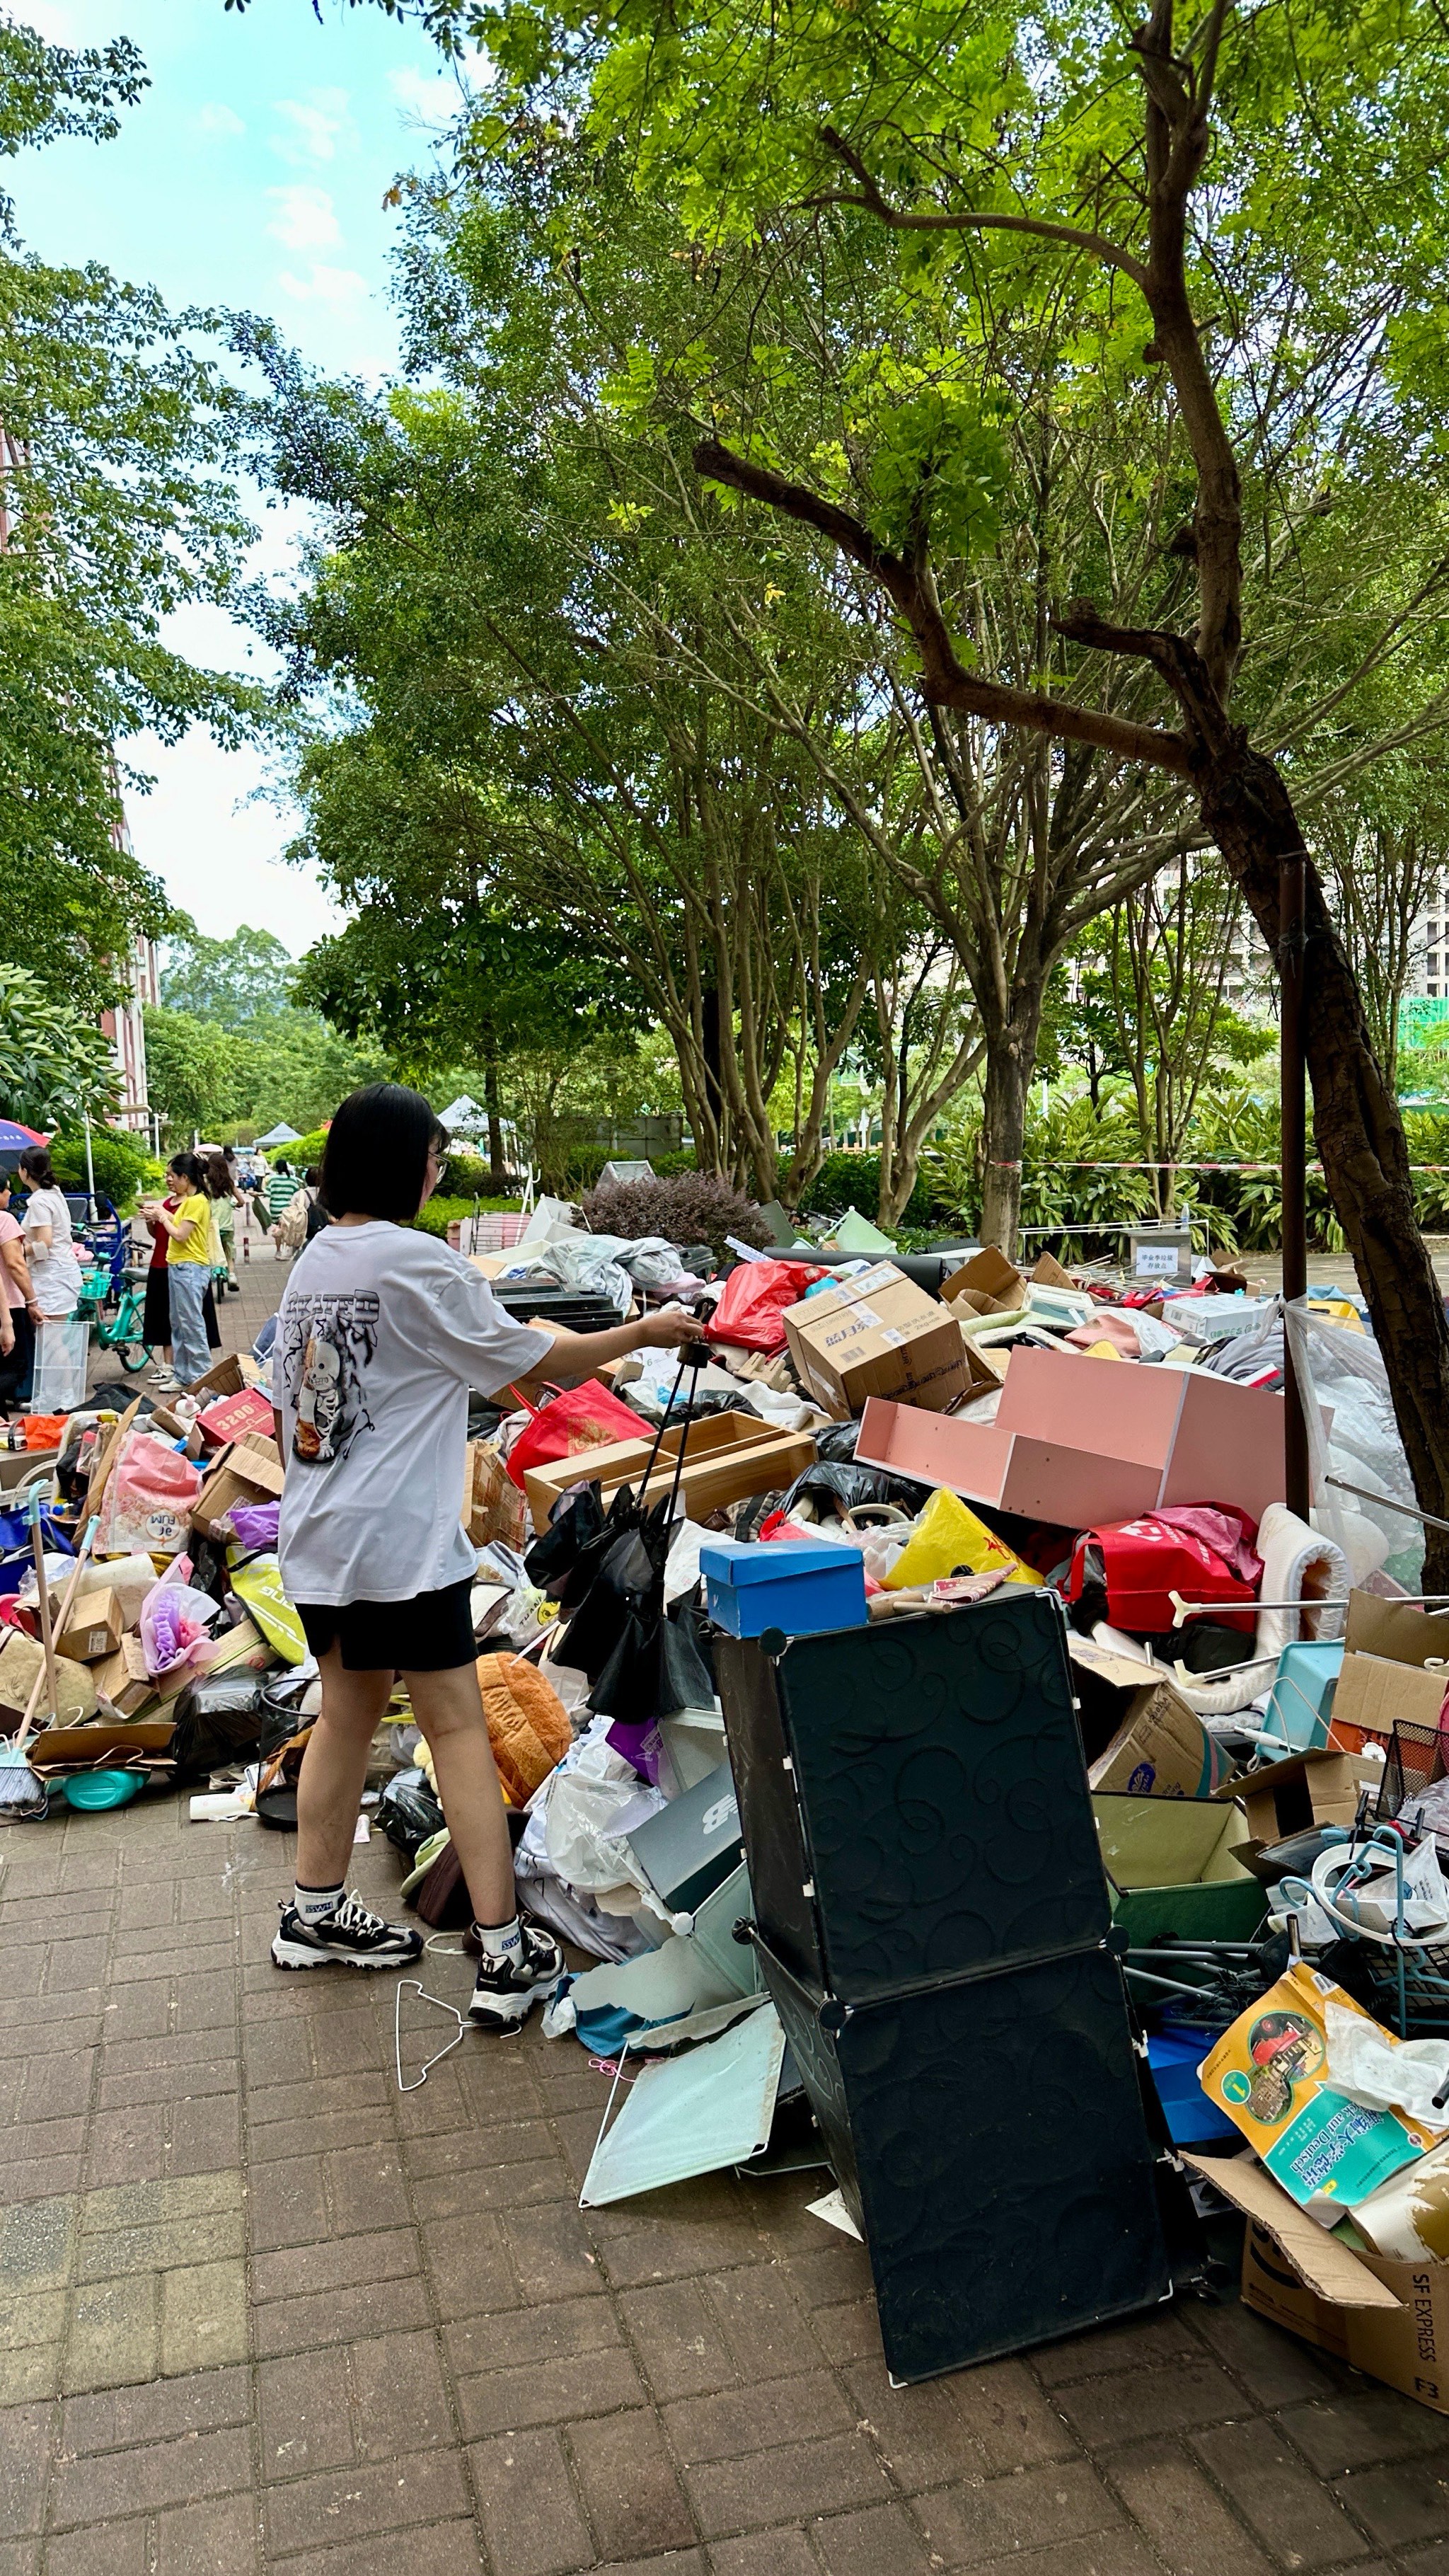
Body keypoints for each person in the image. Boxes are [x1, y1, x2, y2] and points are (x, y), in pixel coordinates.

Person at [269, 1081, 708, 2028]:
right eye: (432, 1159)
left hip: (319, 1537)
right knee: (459, 1728)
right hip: (395, 1548)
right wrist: (645, 1333)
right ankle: (507, 1956)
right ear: (401, 1165)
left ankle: (311, 1914)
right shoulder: (415, 1261)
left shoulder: (316, 1263)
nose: (437, 1173)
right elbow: (527, 1360)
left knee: (344, 1718)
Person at [141, 1154, 214, 1388]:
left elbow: (180, 1235)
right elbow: (178, 1223)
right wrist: (159, 1215)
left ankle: (202, 1377)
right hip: (180, 1267)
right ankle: (183, 1376)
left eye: (172, 1175)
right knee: (180, 1324)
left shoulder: (196, 1202)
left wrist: (161, 1217)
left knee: (191, 1324)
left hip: (189, 1268)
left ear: (185, 1177)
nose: (168, 1179)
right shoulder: (191, 1201)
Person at [16, 1147, 83, 1356]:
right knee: (53, 1341)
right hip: (60, 1273)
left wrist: (19, 1251)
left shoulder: (39, 1201)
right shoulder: (53, 1193)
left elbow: (44, 1244)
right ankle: (60, 1389)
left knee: (50, 1342)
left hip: (51, 1278)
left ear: (25, 1172)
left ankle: (60, 1389)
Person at [0, 1171, 37, 1415]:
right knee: (17, 1366)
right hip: (9, 1304)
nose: (10, 1194)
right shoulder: (4, 1220)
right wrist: (32, 1301)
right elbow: (15, 1265)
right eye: (6, 1189)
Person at [205, 1151, 244, 1292]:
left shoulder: (206, 1182)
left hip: (210, 1225)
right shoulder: (229, 1182)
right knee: (229, 1248)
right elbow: (241, 1200)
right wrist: (238, 1204)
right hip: (227, 1225)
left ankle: (211, 1271)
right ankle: (232, 1275)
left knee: (210, 1248)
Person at [263, 1158, 302, 1245]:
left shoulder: (273, 1179)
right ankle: (287, 1248)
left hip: (275, 1208)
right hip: (289, 1209)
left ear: (276, 1167)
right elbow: (297, 1193)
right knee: (287, 1228)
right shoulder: (292, 1179)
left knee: (278, 1228)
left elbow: (267, 1193)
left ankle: (278, 1251)